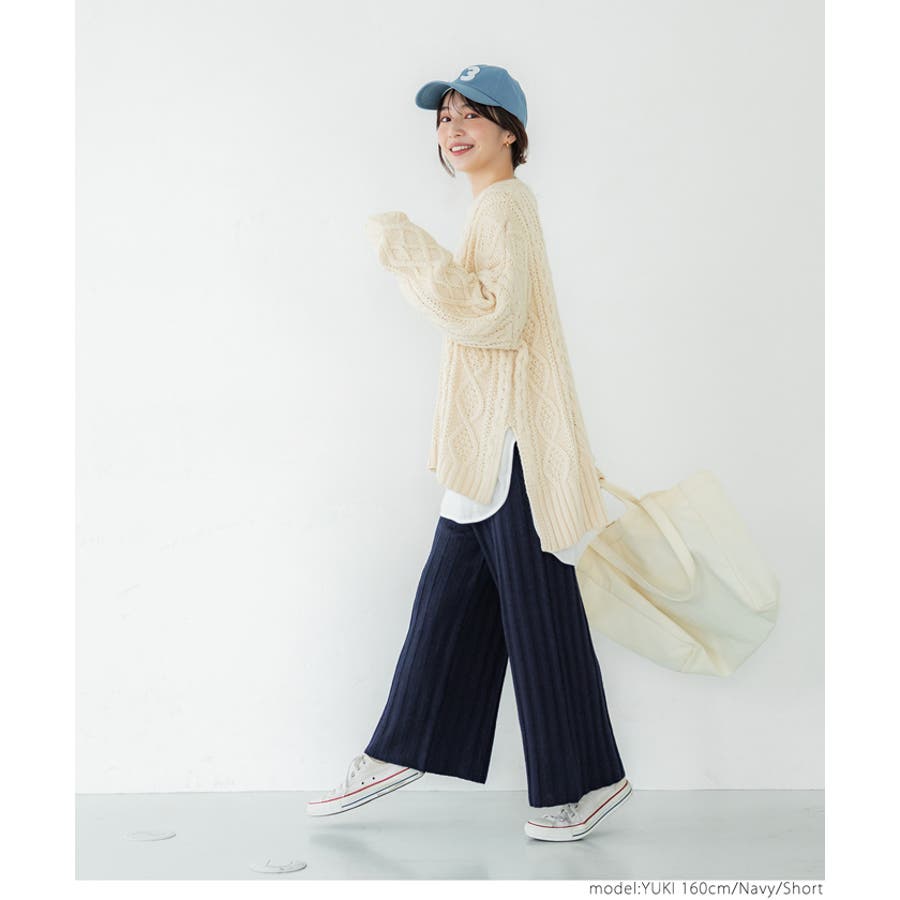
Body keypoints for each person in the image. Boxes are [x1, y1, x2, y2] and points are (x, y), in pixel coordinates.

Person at [306, 65, 632, 842]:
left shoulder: (506, 204)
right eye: (444, 118)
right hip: (490, 446)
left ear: (510, 132)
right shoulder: (495, 206)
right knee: (452, 603)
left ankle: (582, 782)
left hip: (512, 445)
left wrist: (407, 249)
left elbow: (497, 316)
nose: (453, 129)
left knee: (535, 613)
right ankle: (400, 750)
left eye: (470, 116)